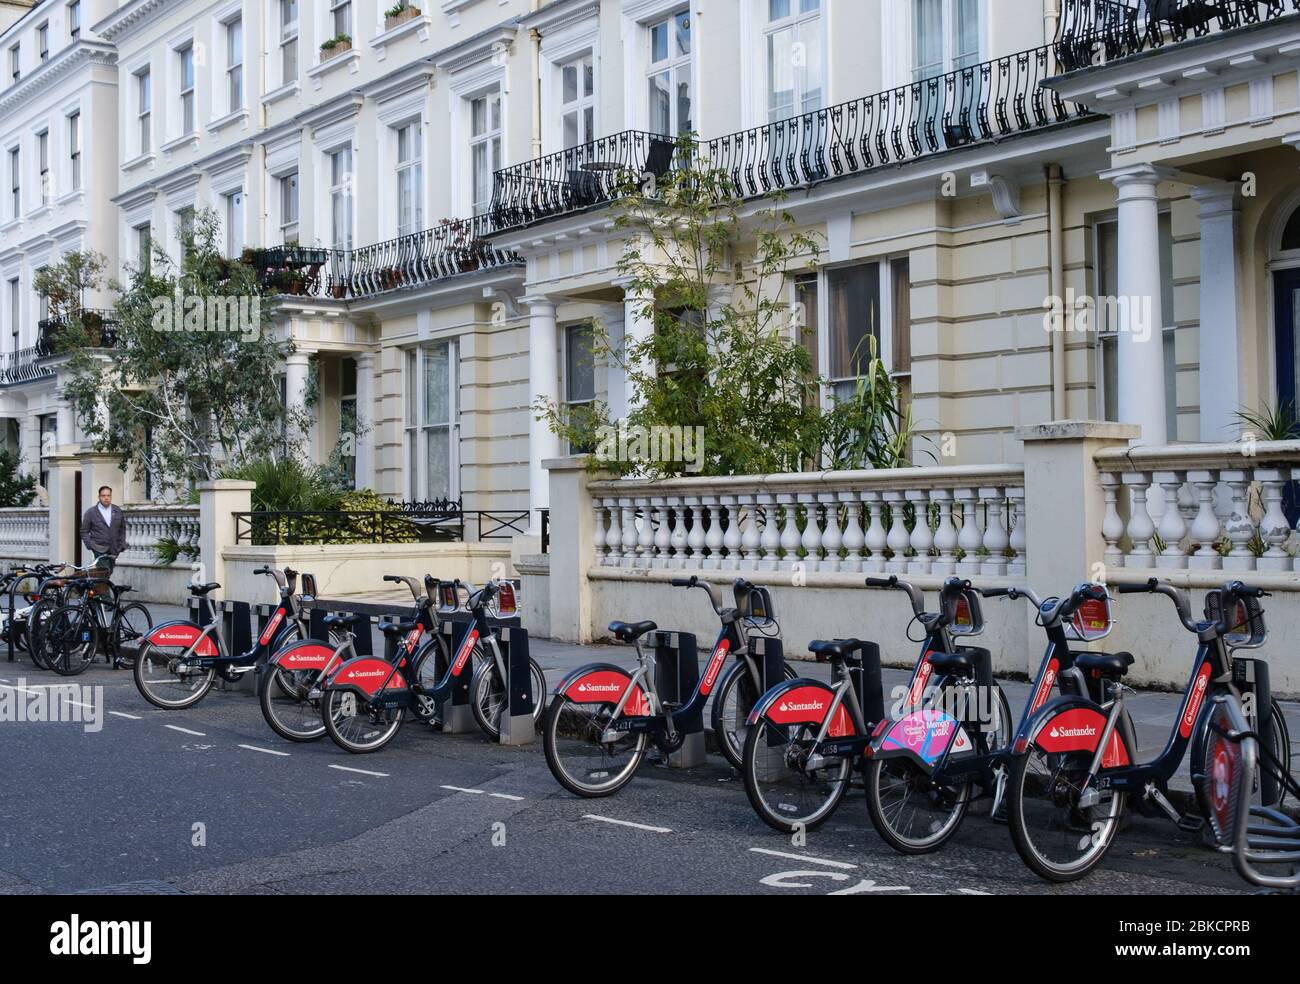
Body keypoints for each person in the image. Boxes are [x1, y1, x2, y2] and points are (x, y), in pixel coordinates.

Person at [80, 485, 127, 575]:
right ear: (99, 497)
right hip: (99, 547)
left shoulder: (117, 510)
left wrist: (122, 544)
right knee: (103, 571)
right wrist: (90, 545)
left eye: (108, 496)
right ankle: (103, 588)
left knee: (109, 571)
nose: (106, 498)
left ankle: (99, 588)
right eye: (103, 496)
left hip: (114, 548)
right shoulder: (91, 512)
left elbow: (122, 529)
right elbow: (84, 531)